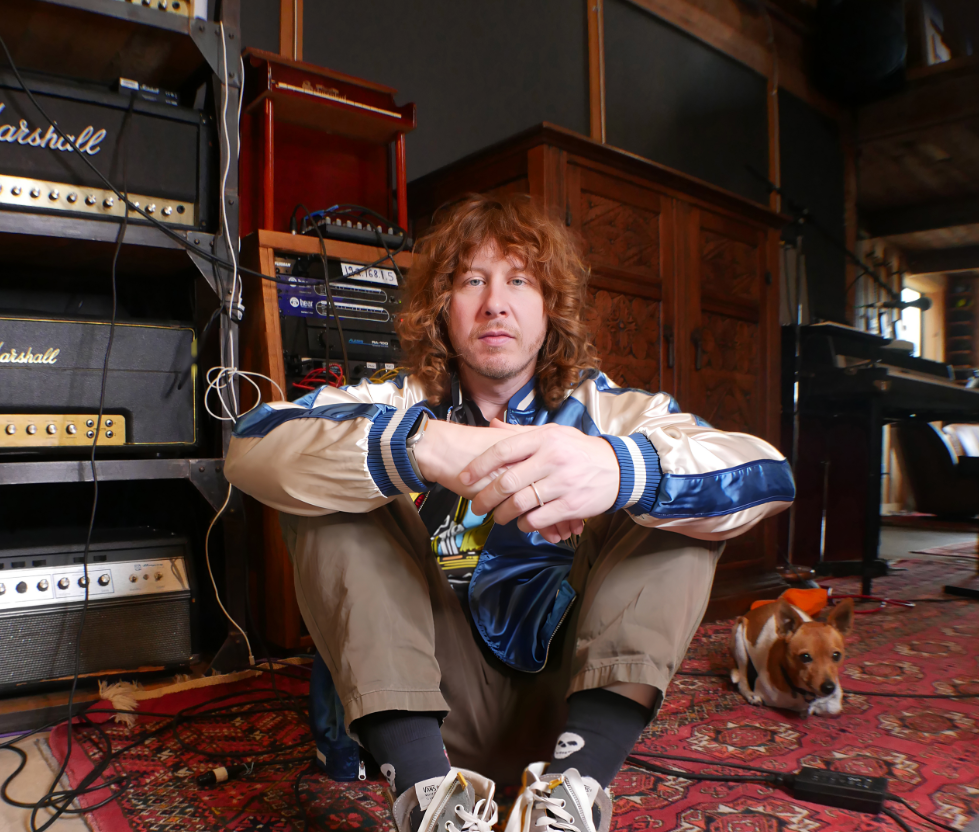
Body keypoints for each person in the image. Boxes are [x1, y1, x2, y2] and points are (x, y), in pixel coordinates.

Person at [225, 194, 794, 832]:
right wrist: (422, 446)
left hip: (568, 700)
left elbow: (769, 473)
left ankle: (571, 795)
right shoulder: (396, 400)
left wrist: (618, 471)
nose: (496, 302)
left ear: (550, 307)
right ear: (442, 306)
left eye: (520, 280)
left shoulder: (607, 409)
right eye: (473, 280)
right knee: (329, 469)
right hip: (424, 700)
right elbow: (249, 443)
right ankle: (430, 802)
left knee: (672, 485)